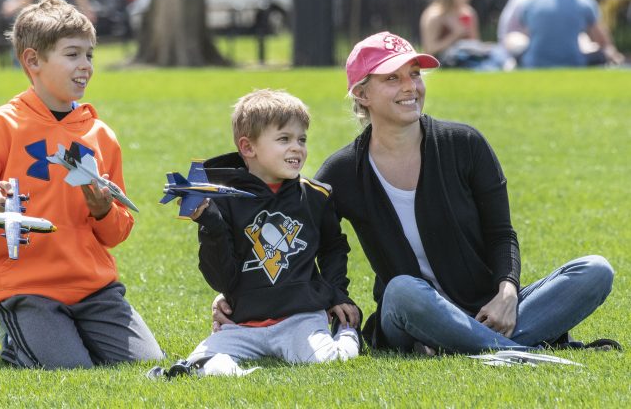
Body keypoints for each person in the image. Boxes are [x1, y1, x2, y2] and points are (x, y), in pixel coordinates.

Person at [213, 31, 618, 355]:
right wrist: (235, 297)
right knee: (403, 288)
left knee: (595, 269)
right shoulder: (341, 172)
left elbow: (501, 233)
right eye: (393, 78)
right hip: (406, 316)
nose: (410, 87)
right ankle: (509, 351)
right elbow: (296, 239)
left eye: (415, 74)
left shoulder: (465, 144)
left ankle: (481, 347)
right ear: (362, 94)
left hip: (485, 309)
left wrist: (507, 292)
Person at [0, 0, 163, 369]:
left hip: (95, 288)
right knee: (71, 369)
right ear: (33, 61)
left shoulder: (100, 134)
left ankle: (65, 335)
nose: (86, 66)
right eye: (73, 54)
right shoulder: (0, 126)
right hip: (28, 289)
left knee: (144, 362)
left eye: (90, 55)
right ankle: (15, 342)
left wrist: (103, 209)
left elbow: (118, 233)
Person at [148, 89, 361, 378]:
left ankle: (347, 334)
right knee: (199, 365)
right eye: (284, 139)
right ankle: (239, 374)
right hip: (242, 324)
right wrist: (209, 222)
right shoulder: (223, 202)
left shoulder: (316, 196)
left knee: (329, 363)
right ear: (248, 148)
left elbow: (334, 248)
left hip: (300, 320)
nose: (296, 148)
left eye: (301, 139)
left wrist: (337, 293)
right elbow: (221, 278)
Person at [517, 0, 624, 67]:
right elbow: (604, 43)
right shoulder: (584, 0)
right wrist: (615, 56)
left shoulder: (533, 0)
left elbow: (528, 33)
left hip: (534, 63)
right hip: (573, 63)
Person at [419, 0, 504, 69]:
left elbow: (475, 43)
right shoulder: (435, 15)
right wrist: (455, 35)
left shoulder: (468, 13)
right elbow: (430, 49)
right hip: (446, 59)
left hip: (468, 54)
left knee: (497, 50)